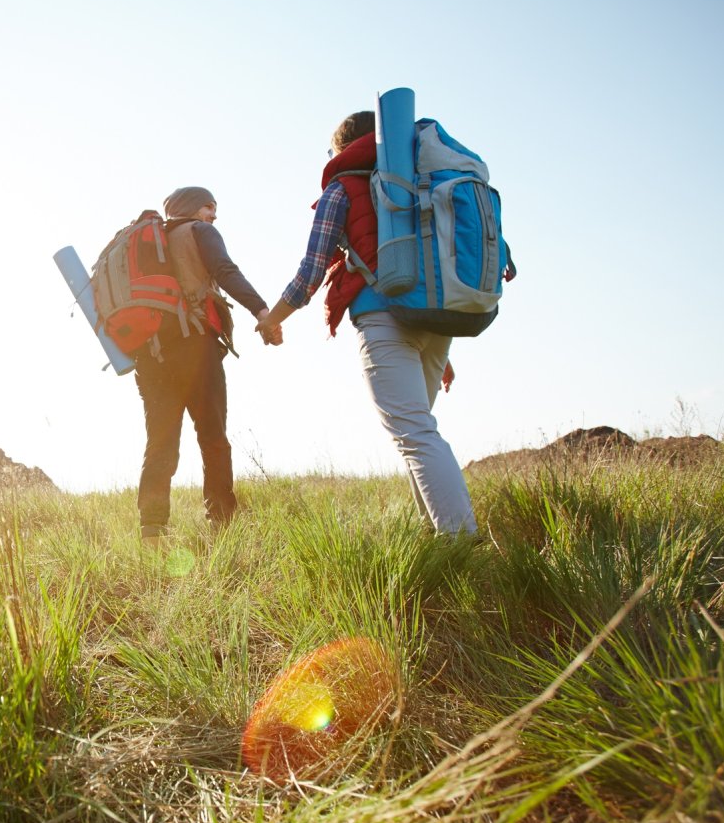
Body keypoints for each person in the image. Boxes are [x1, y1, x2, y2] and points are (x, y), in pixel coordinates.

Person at [255, 111, 477, 536]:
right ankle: (435, 536)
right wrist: (438, 346)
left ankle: (462, 542)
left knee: (414, 434)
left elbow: (310, 272)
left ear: (343, 149)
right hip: (436, 320)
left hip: (384, 319)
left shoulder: (343, 188)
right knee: (417, 434)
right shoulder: (418, 183)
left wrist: (272, 319)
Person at [134, 186, 280, 544]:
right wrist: (263, 311)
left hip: (150, 355)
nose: (213, 215)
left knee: (160, 443)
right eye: (209, 207)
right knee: (213, 438)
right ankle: (222, 525)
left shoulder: (146, 244)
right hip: (195, 347)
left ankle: (152, 532)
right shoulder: (198, 232)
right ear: (190, 208)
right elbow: (225, 271)